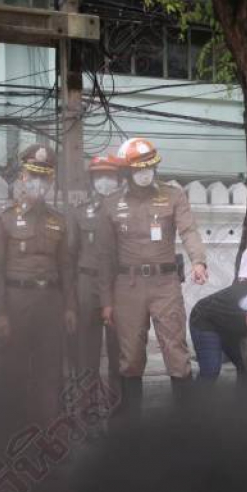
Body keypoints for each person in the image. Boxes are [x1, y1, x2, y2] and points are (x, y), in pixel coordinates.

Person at [96, 137, 208, 416]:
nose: (145, 173)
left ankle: (185, 424)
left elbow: (189, 231)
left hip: (165, 285)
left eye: (150, 167)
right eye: (139, 169)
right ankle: (132, 427)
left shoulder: (173, 196)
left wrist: (199, 261)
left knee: (176, 352)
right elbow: (105, 257)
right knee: (130, 356)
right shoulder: (110, 205)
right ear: (126, 172)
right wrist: (106, 301)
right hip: (127, 287)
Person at [0, 145, 77, 424]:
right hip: (16, 300)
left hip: (50, 301)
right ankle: (12, 428)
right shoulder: (4, 219)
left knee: (50, 367)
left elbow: (65, 268)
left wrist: (70, 307)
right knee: (14, 366)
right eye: (33, 176)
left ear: (51, 182)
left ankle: (48, 427)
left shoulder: (58, 221)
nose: (38, 183)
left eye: (44, 178)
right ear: (22, 178)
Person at [69, 156, 122, 402]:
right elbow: (70, 255)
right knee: (86, 350)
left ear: (118, 179)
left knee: (118, 349)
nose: (104, 181)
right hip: (87, 284)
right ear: (92, 180)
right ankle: (85, 405)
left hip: (118, 285)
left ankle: (119, 407)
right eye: (99, 176)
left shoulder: (125, 210)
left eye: (109, 176)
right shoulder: (80, 212)